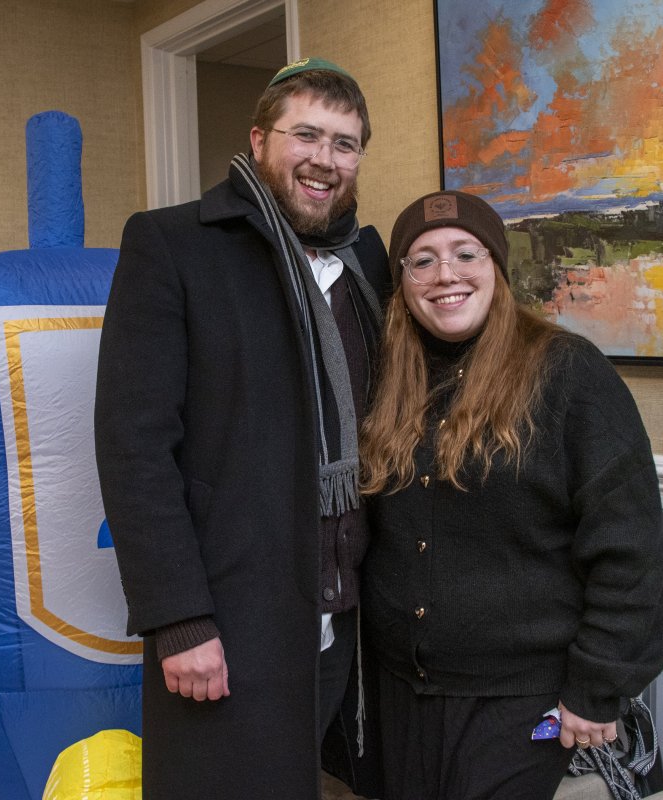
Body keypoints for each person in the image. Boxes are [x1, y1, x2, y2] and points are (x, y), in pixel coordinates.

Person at [94, 57, 391, 800]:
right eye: (307, 135)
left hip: (343, 602)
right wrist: (180, 619)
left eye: (346, 143)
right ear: (258, 140)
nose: (326, 159)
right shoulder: (172, 245)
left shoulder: (367, 262)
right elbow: (134, 447)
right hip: (232, 610)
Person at [359, 189, 663, 800]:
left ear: (496, 266)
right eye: (422, 260)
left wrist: (596, 689)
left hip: (526, 703)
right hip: (404, 695)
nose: (445, 274)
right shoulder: (386, 378)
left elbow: (632, 551)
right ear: (402, 282)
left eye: (465, 253)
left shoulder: (568, 374)